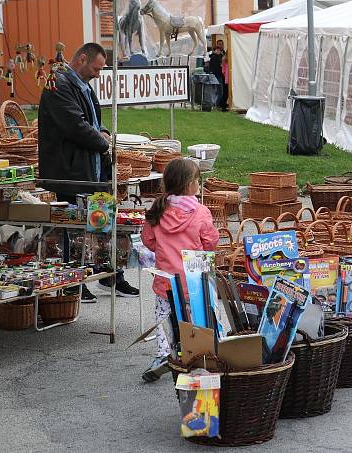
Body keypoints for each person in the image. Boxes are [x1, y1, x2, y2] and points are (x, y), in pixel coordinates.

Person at [38, 42, 139, 302]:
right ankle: (74, 282)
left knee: (100, 223)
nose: (98, 74)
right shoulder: (58, 84)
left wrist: (103, 131)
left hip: (89, 167)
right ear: (82, 58)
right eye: (96, 68)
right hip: (68, 170)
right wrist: (105, 144)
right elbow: (75, 126)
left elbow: (93, 120)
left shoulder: (82, 85)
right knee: (72, 231)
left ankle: (109, 274)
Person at [140, 158, 219, 382]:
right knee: (198, 317)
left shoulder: (158, 209)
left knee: (164, 317)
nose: (199, 185)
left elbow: (148, 240)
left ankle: (165, 354)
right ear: (188, 185)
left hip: (166, 279)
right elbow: (210, 242)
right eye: (197, 181)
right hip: (194, 279)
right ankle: (198, 356)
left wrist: (164, 250)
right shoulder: (200, 212)